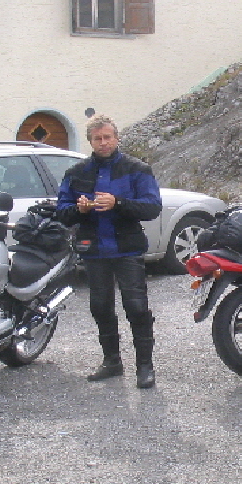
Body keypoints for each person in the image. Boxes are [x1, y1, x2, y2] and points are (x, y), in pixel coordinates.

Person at [56, 114, 162, 388]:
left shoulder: (137, 169)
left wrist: (118, 203)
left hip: (127, 248)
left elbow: (152, 207)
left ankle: (145, 367)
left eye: (107, 137)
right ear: (90, 141)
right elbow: (62, 213)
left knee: (136, 307)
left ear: (116, 138)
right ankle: (112, 361)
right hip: (94, 250)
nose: (103, 143)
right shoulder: (76, 173)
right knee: (100, 307)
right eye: (97, 138)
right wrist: (78, 210)